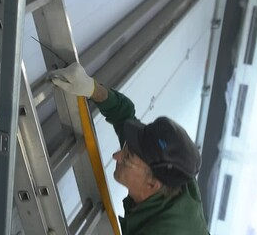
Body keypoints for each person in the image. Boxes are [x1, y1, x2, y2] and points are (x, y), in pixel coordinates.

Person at [51, 62, 209, 235]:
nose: (116, 156)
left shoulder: (159, 230)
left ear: (152, 184)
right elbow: (124, 115)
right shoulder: (172, 171)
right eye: (125, 149)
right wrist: (91, 88)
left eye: (127, 158)